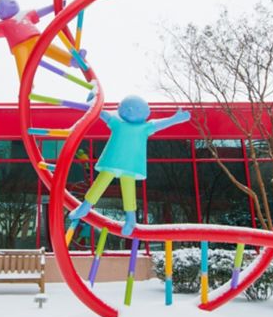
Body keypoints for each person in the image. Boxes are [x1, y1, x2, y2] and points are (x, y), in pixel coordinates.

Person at [69, 95, 191, 236]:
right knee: (100, 183)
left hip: (128, 164)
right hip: (114, 161)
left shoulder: (144, 127)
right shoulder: (118, 123)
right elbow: (101, 113)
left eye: (136, 108)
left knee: (128, 192)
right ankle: (85, 206)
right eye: (127, 108)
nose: (131, 110)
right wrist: (93, 103)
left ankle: (130, 218)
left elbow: (160, 124)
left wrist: (175, 119)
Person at [0, 0, 80, 80]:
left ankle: (71, 60)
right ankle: (25, 83)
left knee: (51, 49)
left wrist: (54, 7)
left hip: (34, 39)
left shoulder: (24, 14)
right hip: (19, 46)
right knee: (22, 64)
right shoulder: (2, 24)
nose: (12, 2)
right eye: (8, 3)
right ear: (1, 13)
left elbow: (40, 12)